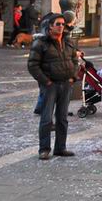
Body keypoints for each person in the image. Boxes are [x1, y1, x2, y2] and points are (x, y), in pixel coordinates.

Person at [27, 12, 79, 160]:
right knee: (46, 118)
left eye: (63, 24)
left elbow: (75, 61)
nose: (61, 27)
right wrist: (46, 81)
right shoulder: (41, 43)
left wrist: (73, 77)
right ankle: (44, 149)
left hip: (66, 84)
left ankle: (60, 148)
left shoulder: (68, 42)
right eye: (58, 24)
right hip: (50, 85)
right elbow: (33, 65)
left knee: (62, 118)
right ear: (50, 26)